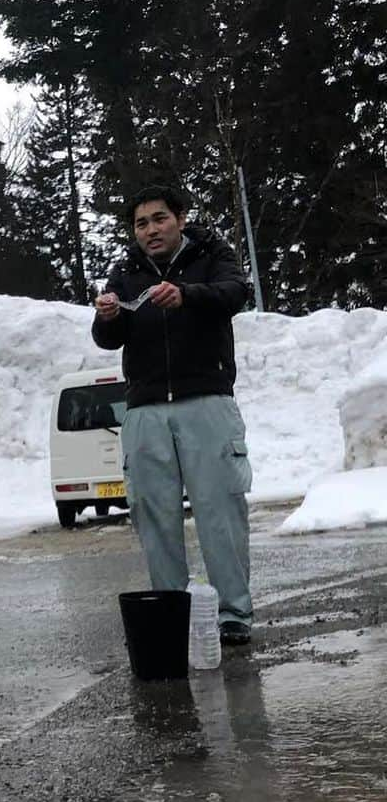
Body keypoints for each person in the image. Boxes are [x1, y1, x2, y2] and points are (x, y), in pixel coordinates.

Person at [92, 184, 253, 646]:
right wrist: (107, 317)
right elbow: (108, 339)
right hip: (144, 409)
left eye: (159, 219)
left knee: (219, 508)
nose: (150, 230)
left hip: (206, 401)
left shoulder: (210, 252)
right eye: (141, 223)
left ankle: (232, 614)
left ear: (179, 219)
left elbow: (234, 293)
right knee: (152, 512)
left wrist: (186, 295)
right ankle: (172, 612)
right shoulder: (125, 271)